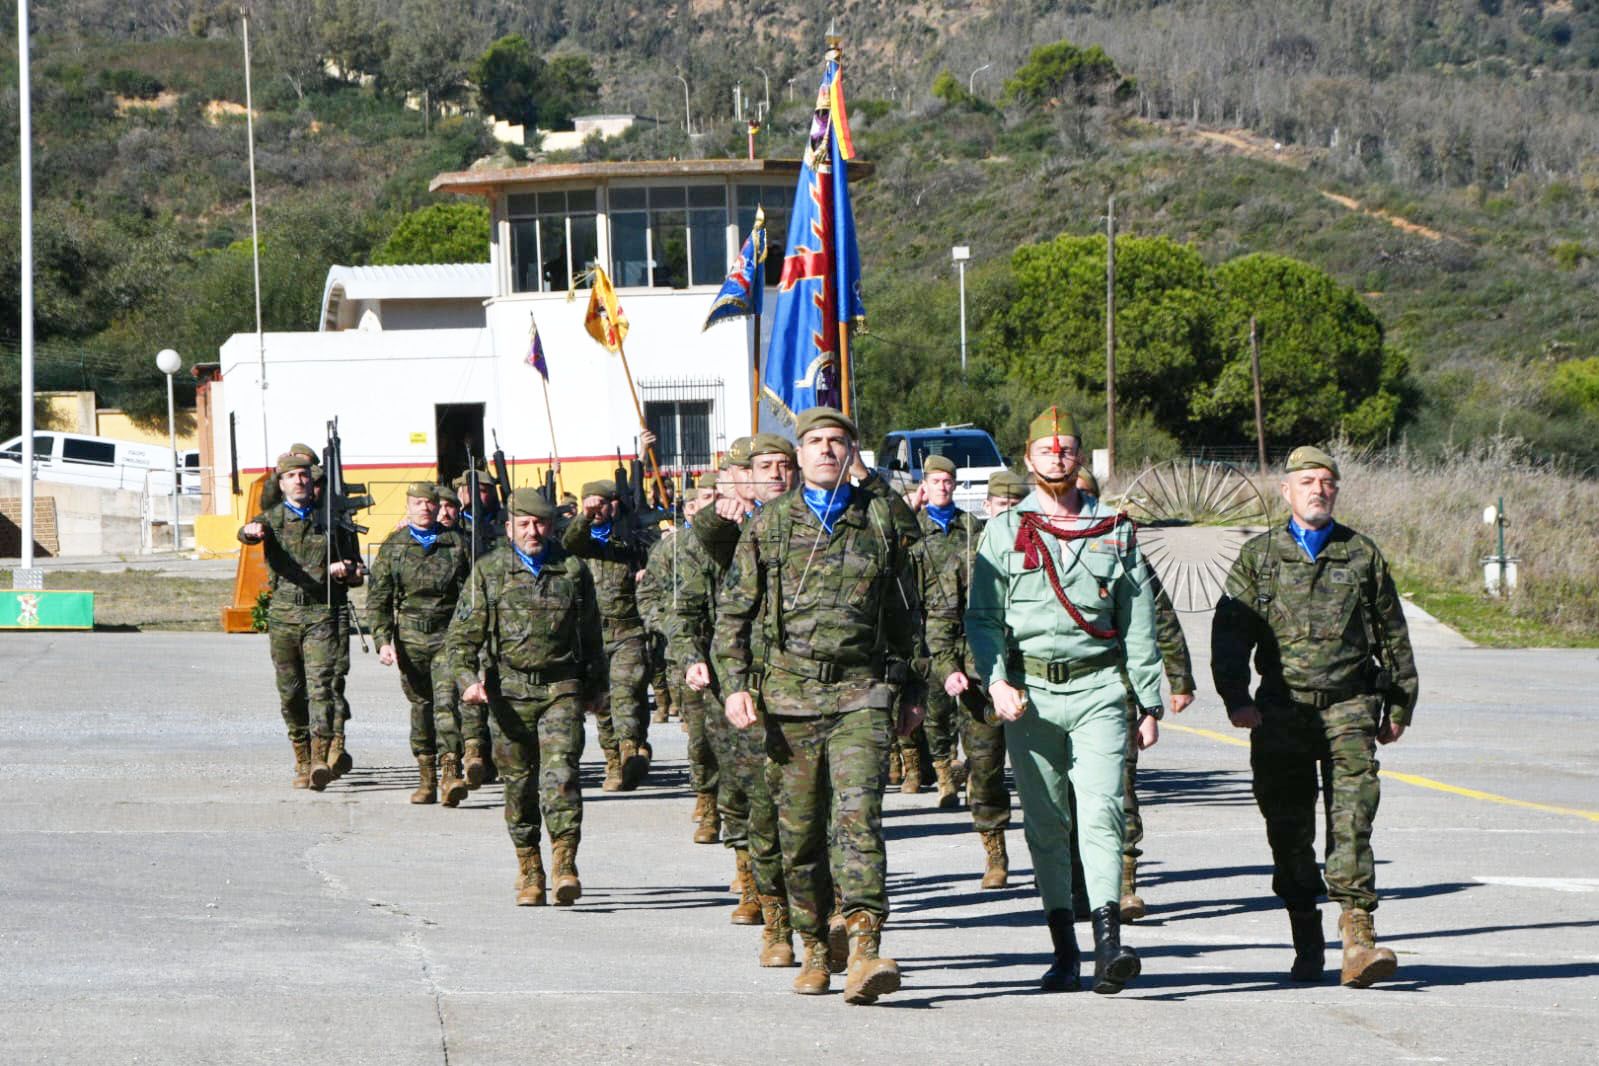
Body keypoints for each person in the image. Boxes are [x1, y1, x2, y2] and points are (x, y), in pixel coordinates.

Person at [715, 408, 923, 1005]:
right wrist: (735, 685)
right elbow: (733, 615)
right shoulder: (771, 526)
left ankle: (864, 947)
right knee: (800, 834)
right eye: (815, 442)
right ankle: (812, 945)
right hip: (789, 700)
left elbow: (907, 612)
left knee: (859, 822)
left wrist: (911, 688)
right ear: (799, 455)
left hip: (861, 694)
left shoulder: (878, 519)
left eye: (838, 442)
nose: (826, 451)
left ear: (851, 453)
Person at [966, 407, 1164, 996]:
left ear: (1081, 459)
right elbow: (983, 617)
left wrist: (1148, 701)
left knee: (1103, 812)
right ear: (1028, 459)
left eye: (1067, 448)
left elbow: (1137, 621)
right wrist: (997, 681)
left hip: (1100, 688)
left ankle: (1109, 946)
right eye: (1046, 449)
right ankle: (1065, 951)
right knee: (1047, 823)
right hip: (1031, 695)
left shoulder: (1116, 529)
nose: (1057, 456)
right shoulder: (1003, 531)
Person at [1211, 445, 1418, 988]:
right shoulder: (1259, 556)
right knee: (1289, 830)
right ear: (1287, 490)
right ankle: (1307, 935)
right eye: (1307, 481)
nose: (1318, 489)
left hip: (1350, 706)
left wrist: (1399, 703)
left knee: (1352, 821)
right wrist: (1236, 697)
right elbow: (1229, 634)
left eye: (1327, 481)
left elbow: (1392, 632)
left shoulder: (1361, 554)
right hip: (1281, 712)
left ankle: (1359, 941)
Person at [445, 489, 605, 907]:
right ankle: (530, 866)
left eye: (541, 523)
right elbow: (461, 637)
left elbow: (591, 634)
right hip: (509, 692)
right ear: (509, 526)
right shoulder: (489, 571)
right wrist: (468, 680)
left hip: (561, 689)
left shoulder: (570, 568)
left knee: (562, 776)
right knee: (519, 784)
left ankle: (565, 863)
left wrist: (597, 687)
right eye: (525, 524)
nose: (534, 531)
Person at [676, 438, 801, 958]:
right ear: (740, 478)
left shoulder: (811, 524)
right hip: (737, 683)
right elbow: (683, 610)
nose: (775, 475)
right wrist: (692, 657)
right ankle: (761, 898)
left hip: (802, 683)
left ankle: (825, 910)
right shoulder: (719, 532)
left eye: (782, 466)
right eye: (761, 468)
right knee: (749, 797)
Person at [1068, 467, 1196, 921]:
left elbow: (1158, 617)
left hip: (1113, 689)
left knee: (1117, 788)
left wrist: (1177, 681)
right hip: (1055, 692)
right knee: (1063, 795)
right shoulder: (1037, 548)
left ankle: (1124, 882)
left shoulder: (1121, 550)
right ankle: (1076, 883)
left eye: (1085, 497)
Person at [914, 454, 1014, 889]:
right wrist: (948, 665)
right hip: (974, 670)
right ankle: (995, 852)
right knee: (985, 765)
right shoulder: (963, 550)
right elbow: (942, 614)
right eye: (935, 481)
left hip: (1033, 673)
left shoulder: (977, 532)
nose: (942, 487)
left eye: (1019, 508)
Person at [238, 452, 364, 791]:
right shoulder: (272, 519)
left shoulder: (333, 521)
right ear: (281, 484)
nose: (299, 481)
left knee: (322, 686)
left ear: (313, 480)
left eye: (304, 475)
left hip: (322, 613)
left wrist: (347, 571)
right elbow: (248, 533)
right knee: (291, 693)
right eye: (292, 476)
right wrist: (249, 531)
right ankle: (302, 758)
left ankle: (320, 758)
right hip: (284, 616)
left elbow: (357, 572)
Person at [365, 482, 474, 806]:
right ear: (409, 506)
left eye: (430, 503)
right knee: (421, 707)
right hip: (410, 638)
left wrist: (468, 635)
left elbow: (473, 593)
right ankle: (426, 777)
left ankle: (451, 773)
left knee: (446, 703)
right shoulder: (394, 546)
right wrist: (383, 640)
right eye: (418, 503)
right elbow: (378, 598)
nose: (425, 508)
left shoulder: (457, 543)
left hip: (447, 636)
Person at [638, 479, 720, 844]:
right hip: (691, 654)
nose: (713, 502)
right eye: (706, 497)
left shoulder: (746, 540)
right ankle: (708, 801)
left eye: (719, 496)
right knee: (701, 737)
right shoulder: (672, 548)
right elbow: (649, 595)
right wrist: (668, 625)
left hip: (737, 654)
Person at [562, 477, 656, 791]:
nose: (597, 509)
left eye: (601, 503)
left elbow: (655, 559)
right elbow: (573, 540)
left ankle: (630, 751)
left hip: (629, 631)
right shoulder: (578, 544)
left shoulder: (630, 538)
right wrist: (585, 516)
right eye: (591, 503)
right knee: (601, 703)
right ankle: (614, 761)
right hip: (591, 637)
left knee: (626, 693)